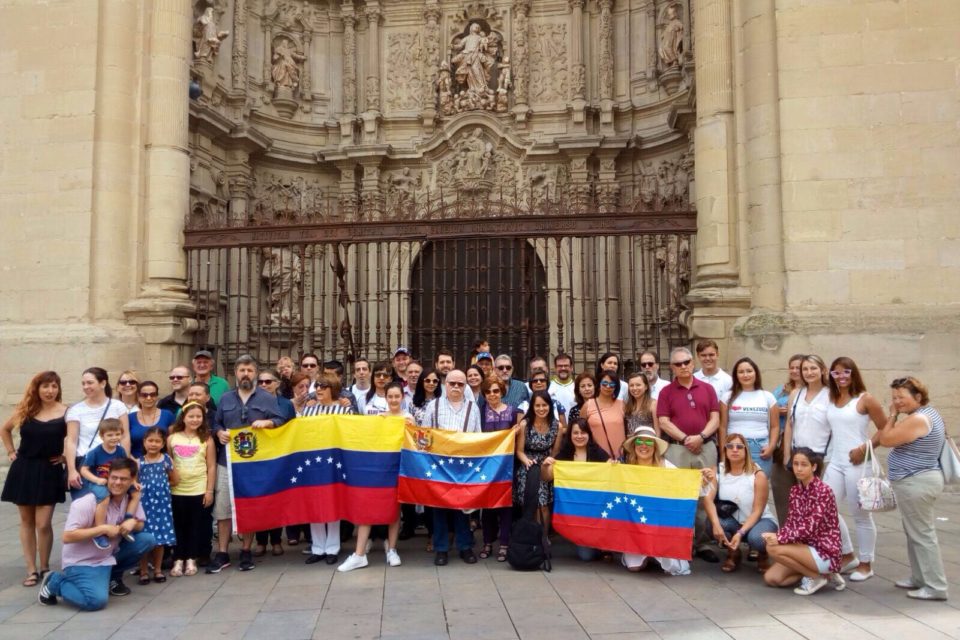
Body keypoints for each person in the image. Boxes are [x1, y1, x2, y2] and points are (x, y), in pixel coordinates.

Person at [38, 458, 155, 609]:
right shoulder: (87, 502)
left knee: (147, 540)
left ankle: (113, 577)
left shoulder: (130, 499)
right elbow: (67, 537)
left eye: (123, 479)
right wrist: (102, 529)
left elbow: (140, 525)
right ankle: (55, 582)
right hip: (83, 561)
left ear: (132, 480)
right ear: (107, 477)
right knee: (95, 601)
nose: (118, 482)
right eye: (114, 478)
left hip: (108, 556)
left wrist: (133, 522)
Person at [208, 355, 285, 573]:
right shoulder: (225, 399)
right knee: (223, 508)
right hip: (227, 461)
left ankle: (245, 550)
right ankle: (222, 552)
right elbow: (216, 423)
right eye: (242, 370)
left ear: (256, 373)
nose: (245, 374)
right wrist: (219, 432)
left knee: (248, 505)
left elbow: (281, 421)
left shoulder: (267, 398)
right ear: (235, 372)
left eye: (250, 370)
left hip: (253, 462)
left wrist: (268, 422)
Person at [878, 377, 948, 600]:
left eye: (901, 397)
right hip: (918, 480)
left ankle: (935, 586)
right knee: (915, 533)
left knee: (922, 534)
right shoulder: (928, 413)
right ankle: (920, 578)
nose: (897, 401)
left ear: (918, 397)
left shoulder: (918, 418)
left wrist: (891, 415)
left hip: (916, 482)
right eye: (894, 397)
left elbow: (886, 439)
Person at [823, 356, 887, 582]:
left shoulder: (865, 399)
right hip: (836, 461)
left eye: (846, 372)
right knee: (825, 507)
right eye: (836, 373)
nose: (841, 377)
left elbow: (886, 428)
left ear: (853, 373)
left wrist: (865, 448)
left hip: (858, 463)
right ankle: (847, 554)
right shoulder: (832, 398)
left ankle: (866, 563)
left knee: (860, 514)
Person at [1, 371, 67, 587]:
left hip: (49, 470)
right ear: (37, 388)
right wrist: (11, 451)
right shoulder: (27, 409)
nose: (50, 391)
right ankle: (31, 569)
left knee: (44, 522)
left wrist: (66, 456)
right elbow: (5, 429)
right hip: (25, 468)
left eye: (54, 386)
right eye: (46, 386)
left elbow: (75, 438)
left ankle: (45, 566)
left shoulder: (66, 412)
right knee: (27, 521)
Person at [656, 347, 720, 562]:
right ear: (672, 367)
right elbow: (664, 421)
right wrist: (685, 439)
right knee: (680, 496)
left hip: (706, 446)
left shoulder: (707, 389)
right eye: (678, 364)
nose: (683, 366)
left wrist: (701, 436)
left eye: (686, 362)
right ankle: (682, 542)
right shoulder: (666, 392)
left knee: (705, 495)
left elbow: (715, 418)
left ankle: (701, 543)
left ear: (693, 363)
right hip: (678, 449)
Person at [338, 382, 409, 572]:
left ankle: (392, 550)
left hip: (399, 468)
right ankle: (359, 554)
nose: (394, 400)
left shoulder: (409, 419)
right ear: (385, 398)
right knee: (367, 507)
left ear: (403, 397)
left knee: (395, 509)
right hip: (379, 469)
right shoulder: (377, 418)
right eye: (390, 396)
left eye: (397, 396)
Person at [417, 370, 481, 566]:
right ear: (445, 384)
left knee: (463, 508)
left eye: (460, 384)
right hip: (439, 465)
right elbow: (424, 435)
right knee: (440, 508)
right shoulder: (433, 406)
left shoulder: (473, 408)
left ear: (465, 387)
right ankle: (441, 548)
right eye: (452, 383)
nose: (455, 387)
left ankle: (465, 547)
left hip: (463, 465)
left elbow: (477, 436)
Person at [762, 448, 845, 596]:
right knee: (772, 578)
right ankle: (822, 575)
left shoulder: (823, 491)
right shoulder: (795, 491)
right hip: (803, 548)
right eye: (795, 464)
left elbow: (809, 528)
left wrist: (779, 538)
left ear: (813, 467)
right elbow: (791, 523)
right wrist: (777, 536)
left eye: (804, 465)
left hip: (824, 551)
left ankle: (817, 576)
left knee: (773, 548)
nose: (799, 469)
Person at [619, 425, 691, 575]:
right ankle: (645, 555)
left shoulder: (667, 467)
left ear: (655, 446)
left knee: (672, 568)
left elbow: (686, 485)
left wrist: (702, 479)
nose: (644, 446)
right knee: (634, 568)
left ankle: (656, 554)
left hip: (661, 525)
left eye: (649, 442)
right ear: (634, 446)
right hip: (637, 527)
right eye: (639, 442)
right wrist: (610, 469)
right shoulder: (626, 468)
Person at [703, 433, 779, 573]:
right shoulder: (718, 470)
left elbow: (757, 511)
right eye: (730, 446)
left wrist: (740, 533)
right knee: (711, 524)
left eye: (739, 446)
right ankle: (733, 553)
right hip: (733, 520)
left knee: (757, 538)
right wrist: (715, 524)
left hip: (758, 521)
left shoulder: (758, 474)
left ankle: (763, 554)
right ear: (725, 450)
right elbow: (708, 499)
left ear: (746, 451)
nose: (735, 450)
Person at [302, 372, 355, 565]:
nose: (318, 390)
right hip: (313, 461)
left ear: (332, 388)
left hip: (335, 462)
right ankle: (318, 547)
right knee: (315, 502)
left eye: (322, 387)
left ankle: (332, 548)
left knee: (333, 502)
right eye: (317, 387)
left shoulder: (344, 410)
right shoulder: (308, 411)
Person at [542, 418, 610, 561]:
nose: (579, 436)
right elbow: (547, 477)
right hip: (577, 513)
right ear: (570, 436)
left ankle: (603, 544)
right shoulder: (564, 455)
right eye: (575, 433)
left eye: (583, 432)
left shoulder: (598, 453)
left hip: (597, 512)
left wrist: (614, 466)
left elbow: (611, 473)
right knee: (586, 556)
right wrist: (545, 466)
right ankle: (593, 545)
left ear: (589, 434)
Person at [779, 355, 832, 537]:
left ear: (823, 370)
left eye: (813, 368)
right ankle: (799, 540)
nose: (809, 373)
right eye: (805, 369)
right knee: (799, 501)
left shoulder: (831, 394)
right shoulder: (796, 393)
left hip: (821, 455)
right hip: (798, 454)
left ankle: (820, 541)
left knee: (819, 503)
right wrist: (787, 454)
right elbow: (789, 425)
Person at [167, 402, 216, 577]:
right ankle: (178, 557)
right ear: (183, 417)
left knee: (196, 525)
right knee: (179, 524)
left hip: (198, 488)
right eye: (191, 416)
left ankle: (191, 558)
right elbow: (168, 463)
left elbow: (211, 466)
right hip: (177, 489)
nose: (195, 420)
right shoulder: (172, 438)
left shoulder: (206, 439)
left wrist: (209, 490)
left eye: (198, 417)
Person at [65, 367, 130, 496]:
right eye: (83, 383)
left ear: (103, 383)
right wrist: (72, 470)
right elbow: (71, 441)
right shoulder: (76, 410)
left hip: (113, 463)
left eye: (90, 382)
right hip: (86, 464)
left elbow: (125, 436)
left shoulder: (118, 406)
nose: (85, 386)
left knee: (111, 508)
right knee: (84, 507)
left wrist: (125, 465)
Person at [478, 376, 522, 561]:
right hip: (487, 467)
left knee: (505, 506)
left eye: (495, 391)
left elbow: (519, 440)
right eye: (488, 391)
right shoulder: (480, 412)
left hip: (506, 467)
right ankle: (487, 541)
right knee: (487, 506)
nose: (492, 395)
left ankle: (504, 543)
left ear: (502, 391)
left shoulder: (513, 412)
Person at [718, 358, 777, 478]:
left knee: (758, 488)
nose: (745, 375)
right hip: (734, 448)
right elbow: (722, 426)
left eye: (749, 371)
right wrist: (723, 452)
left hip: (760, 449)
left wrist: (771, 446)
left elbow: (775, 426)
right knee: (735, 489)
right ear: (736, 375)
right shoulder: (727, 397)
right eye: (741, 372)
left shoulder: (768, 397)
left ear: (756, 373)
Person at [514, 390, 562, 536]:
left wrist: (547, 464)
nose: (541, 409)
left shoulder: (557, 426)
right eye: (538, 405)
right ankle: (529, 537)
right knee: (530, 505)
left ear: (550, 406)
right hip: (528, 465)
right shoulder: (524, 425)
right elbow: (519, 451)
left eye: (545, 405)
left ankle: (543, 537)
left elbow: (555, 452)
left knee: (543, 506)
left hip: (546, 466)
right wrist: (527, 461)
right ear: (532, 407)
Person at [136, 427, 177, 585]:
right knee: (145, 539)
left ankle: (158, 569)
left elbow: (175, 479)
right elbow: (135, 482)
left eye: (157, 441)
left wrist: (161, 487)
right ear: (144, 442)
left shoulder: (166, 460)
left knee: (159, 539)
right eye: (150, 441)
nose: (153, 444)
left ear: (163, 443)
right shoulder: (138, 462)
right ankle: (144, 570)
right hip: (144, 505)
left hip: (162, 505)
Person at [771, 354, 803, 523]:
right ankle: (785, 527)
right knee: (781, 487)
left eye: (798, 367)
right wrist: (778, 411)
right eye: (791, 367)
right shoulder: (781, 389)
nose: (794, 370)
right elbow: (769, 407)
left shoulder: (811, 391)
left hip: (803, 444)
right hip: (781, 442)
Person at [582, 371, 626, 459]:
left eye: (612, 384)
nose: (608, 387)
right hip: (597, 457)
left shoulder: (622, 405)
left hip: (620, 457)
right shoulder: (588, 405)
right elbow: (582, 430)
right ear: (599, 384)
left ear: (616, 387)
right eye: (604, 383)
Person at [127, 381, 175, 458]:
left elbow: (173, 441)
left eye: (152, 394)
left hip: (162, 463)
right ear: (138, 396)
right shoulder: (129, 418)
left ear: (157, 396)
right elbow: (125, 443)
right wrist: (134, 462)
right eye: (144, 395)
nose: (149, 398)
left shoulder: (167, 415)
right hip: (136, 463)